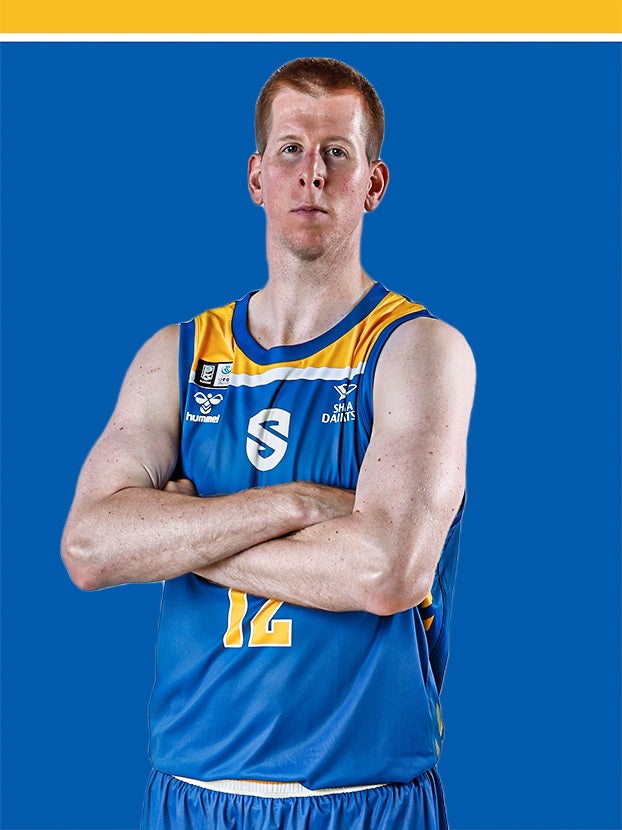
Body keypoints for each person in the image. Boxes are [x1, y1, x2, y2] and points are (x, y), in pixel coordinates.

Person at [62, 57, 475, 830]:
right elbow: (89, 548)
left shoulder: (417, 351)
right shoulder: (175, 356)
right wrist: (294, 505)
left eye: (337, 152)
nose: (312, 172)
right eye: (291, 149)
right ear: (256, 177)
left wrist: (179, 540)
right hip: (191, 795)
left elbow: (386, 571)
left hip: (360, 799)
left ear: (374, 184)